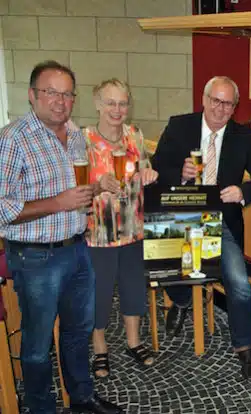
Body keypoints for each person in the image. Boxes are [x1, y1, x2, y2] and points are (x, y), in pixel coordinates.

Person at [0, 61, 122, 413]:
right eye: (51, 92)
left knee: (77, 332)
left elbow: (75, 190)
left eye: (67, 94)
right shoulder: (13, 138)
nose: (60, 100)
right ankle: (41, 408)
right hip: (36, 256)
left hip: (76, 249)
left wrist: (96, 187)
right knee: (38, 343)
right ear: (32, 95)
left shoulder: (75, 134)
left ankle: (81, 398)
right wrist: (58, 202)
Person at [151, 76, 251, 379]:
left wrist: (243, 192)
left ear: (235, 108)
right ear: (205, 100)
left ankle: (244, 347)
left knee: (241, 286)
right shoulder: (180, 126)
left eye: (228, 103)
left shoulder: (242, 136)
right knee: (168, 263)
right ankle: (180, 301)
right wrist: (178, 173)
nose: (221, 109)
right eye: (216, 101)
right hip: (182, 216)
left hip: (220, 222)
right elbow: (156, 168)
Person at [83, 79, 159, 378]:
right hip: (98, 232)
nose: (117, 109)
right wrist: (97, 185)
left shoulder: (134, 135)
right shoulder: (83, 139)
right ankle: (100, 349)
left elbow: (143, 166)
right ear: (97, 104)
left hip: (132, 227)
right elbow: (74, 186)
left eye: (123, 103)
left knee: (132, 289)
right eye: (110, 102)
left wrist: (148, 172)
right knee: (99, 293)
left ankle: (134, 342)